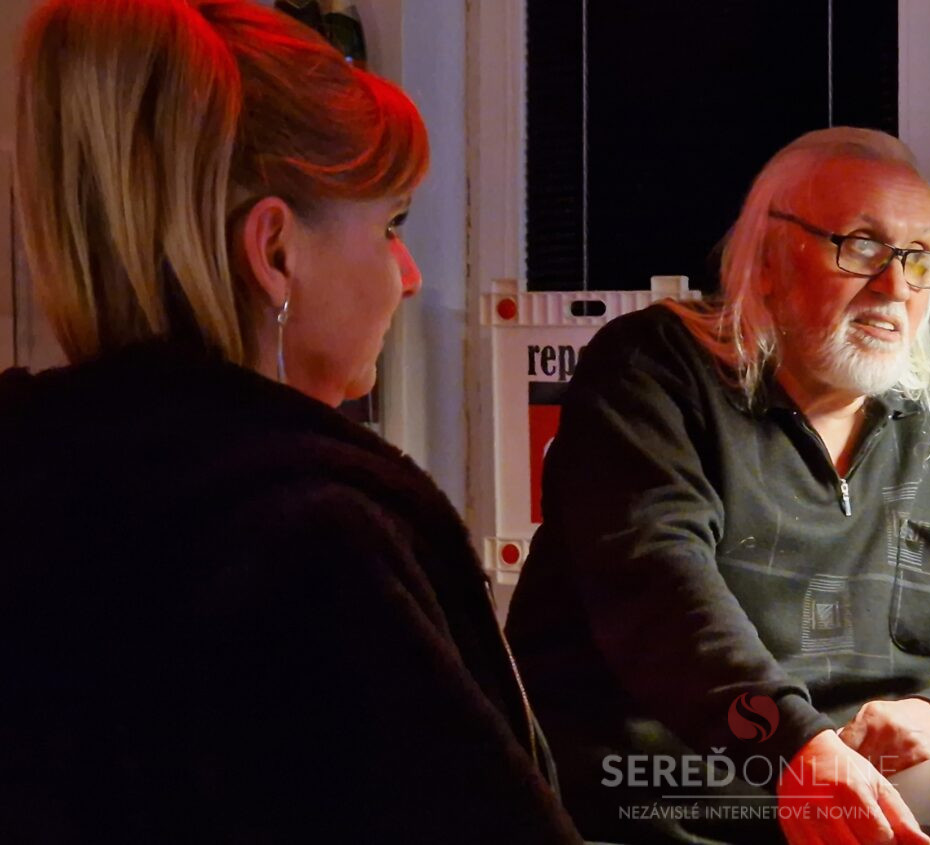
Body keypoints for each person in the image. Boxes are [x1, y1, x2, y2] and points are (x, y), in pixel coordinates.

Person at [0, 1, 580, 841]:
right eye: (390, 227)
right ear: (275, 252)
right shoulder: (311, 542)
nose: (410, 274)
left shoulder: (35, 484)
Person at [506, 127, 930, 845]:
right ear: (767, 259)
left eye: (918, 257)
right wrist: (798, 745)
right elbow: (663, 602)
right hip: (646, 814)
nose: (895, 287)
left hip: (856, 811)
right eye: (861, 246)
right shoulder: (651, 370)